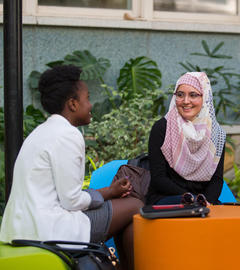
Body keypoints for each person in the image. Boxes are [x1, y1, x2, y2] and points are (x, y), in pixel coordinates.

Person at [0, 65, 142, 270]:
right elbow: (72, 200)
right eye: (87, 98)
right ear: (73, 104)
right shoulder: (68, 135)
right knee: (134, 205)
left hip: (22, 227)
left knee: (122, 211)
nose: (91, 104)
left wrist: (109, 192)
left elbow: (63, 194)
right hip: (49, 230)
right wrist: (103, 196)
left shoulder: (42, 131)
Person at [145, 72, 226, 206]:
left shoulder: (216, 133)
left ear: (204, 98)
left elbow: (216, 180)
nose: (186, 101)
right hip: (167, 199)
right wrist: (192, 199)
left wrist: (208, 202)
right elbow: (159, 179)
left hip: (203, 202)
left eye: (193, 95)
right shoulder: (162, 128)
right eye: (180, 95)